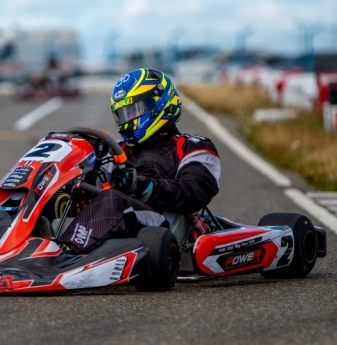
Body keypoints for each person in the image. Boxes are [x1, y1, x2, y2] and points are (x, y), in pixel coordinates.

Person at [58, 68, 221, 254]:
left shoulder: (194, 147)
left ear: (159, 105)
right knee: (51, 199)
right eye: (123, 114)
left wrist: (142, 186)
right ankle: (26, 251)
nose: (127, 121)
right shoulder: (115, 150)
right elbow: (93, 185)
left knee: (112, 200)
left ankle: (66, 255)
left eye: (134, 110)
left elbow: (192, 192)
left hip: (163, 224)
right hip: (116, 221)